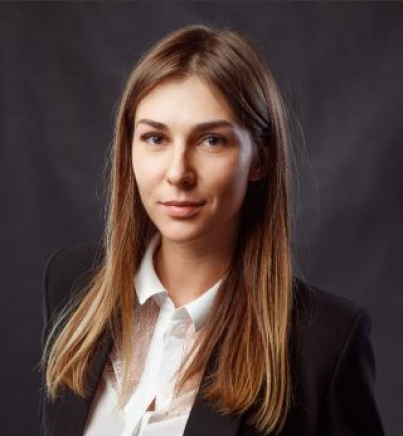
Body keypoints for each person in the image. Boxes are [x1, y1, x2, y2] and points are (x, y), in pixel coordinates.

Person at [39, 24, 385, 436]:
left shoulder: (324, 343)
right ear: (128, 147)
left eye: (211, 141)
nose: (178, 173)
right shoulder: (72, 282)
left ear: (260, 160)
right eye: (155, 138)